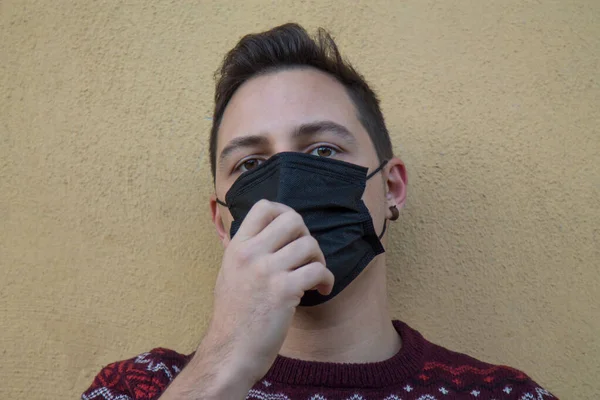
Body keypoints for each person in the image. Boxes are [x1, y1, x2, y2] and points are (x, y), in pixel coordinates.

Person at [81, 23, 557, 400]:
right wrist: (221, 369)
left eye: (324, 151)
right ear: (221, 221)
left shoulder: (504, 395)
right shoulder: (137, 388)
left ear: (391, 187)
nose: (287, 183)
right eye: (251, 164)